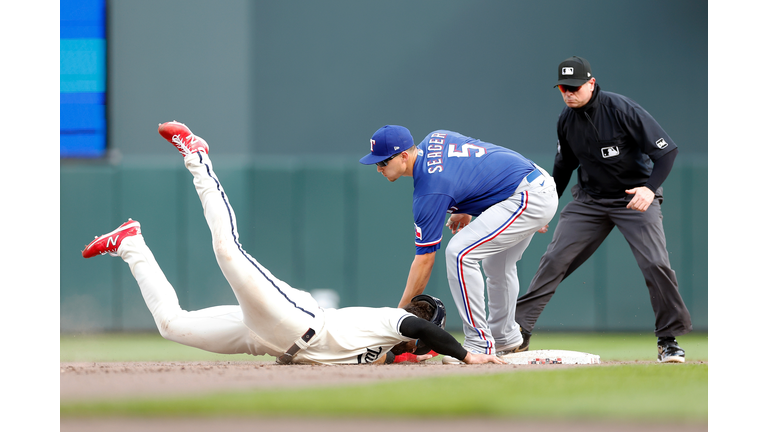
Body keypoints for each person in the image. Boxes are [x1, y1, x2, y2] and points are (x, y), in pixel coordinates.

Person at [81, 121, 504, 366]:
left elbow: (417, 346)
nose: (417, 311)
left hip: (262, 340)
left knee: (171, 325)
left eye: (423, 310)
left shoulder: (393, 357)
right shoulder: (389, 322)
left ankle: (130, 243)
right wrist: (468, 355)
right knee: (228, 252)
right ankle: (197, 156)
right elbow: (411, 326)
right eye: (422, 308)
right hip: (294, 320)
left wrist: (433, 353)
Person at [514, 56, 693, 363]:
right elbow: (563, 167)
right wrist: (546, 208)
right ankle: (517, 331)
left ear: (591, 83)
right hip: (590, 201)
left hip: (635, 197)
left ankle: (668, 339)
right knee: (554, 260)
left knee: (655, 264)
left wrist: (649, 190)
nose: (569, 93)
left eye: (574, 87)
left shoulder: (622, 109)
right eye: (563, 88)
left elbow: (667, 152)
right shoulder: (566, 120)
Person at [359, 126, 558, 364]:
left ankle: (479, 343)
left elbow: (424, 260)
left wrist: (398, 316)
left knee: (460, 253)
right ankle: (505, 337)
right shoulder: (436, 137)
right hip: (530, 184)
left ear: (404, 156)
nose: (379, 168)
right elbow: (477, 161)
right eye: (376, 164)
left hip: (526, 196)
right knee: (497, 265)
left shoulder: (430, 191)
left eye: (383, 162)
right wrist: (464, 207)